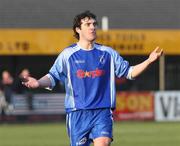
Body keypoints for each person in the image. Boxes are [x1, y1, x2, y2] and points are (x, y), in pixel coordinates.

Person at [22, 10, 163, 146]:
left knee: (103, 143)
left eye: (94, 24)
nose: (92, 27)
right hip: (77, 114)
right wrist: (38, 83)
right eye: (87, 24)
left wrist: (149, 61)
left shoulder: (108, 53)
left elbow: (129, 72)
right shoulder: (68, 55)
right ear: (78, 29)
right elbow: (52, 77)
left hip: (102, 112)